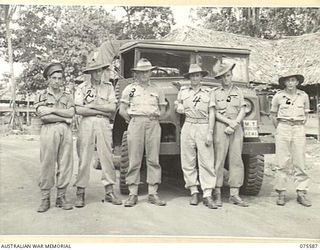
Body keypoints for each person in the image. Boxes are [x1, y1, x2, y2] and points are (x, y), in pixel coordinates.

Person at [74, 51, 122, 207]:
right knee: (84, 157)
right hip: (87, 123)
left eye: (100, 70)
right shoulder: (82, 88)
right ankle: (80, 192)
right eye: (94, 70)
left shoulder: (108, 87)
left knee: (106, 157)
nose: (97, 73)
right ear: (89, 73)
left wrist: (93, 106)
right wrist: (100, 109)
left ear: (103, 71)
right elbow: (79, 110)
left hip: (103, 123)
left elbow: (112, 107)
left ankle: (109, 191)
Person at [119, 58, 167, 207]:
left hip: (153, 123)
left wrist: (156, 117)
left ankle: (153, 193)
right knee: (134, 159)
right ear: (137, 74)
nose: (144, 74)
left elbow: (163, 109)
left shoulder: (157, 89)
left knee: (153, 159)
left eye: (147, 71)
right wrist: (133, 121)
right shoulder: (130, 89)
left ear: (150, 73)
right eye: (141, 72)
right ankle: (133, 193)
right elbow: (122, 110)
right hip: (135, 123)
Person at [175, 64, 217, 209]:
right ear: (189, 78)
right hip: (188, 125)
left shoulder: (209, 92)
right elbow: (178, 104)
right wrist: (178, 106)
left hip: (203, 126)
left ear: (201, 77)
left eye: (197, 75)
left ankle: (207, 193)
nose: (195, 78)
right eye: (192, 76)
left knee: (206, 160)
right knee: (188, 160)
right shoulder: (183, 91)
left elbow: (212, 112)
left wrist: (210, 132)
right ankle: (193, 190)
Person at [35, 62, 74, 213]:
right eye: (54, 78)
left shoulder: (67, 96)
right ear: (48, 79)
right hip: (49, 130)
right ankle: (45, 198)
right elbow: (43, 117)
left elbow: (71, 113)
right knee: (47, 164)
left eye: (60, 78)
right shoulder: (41, 95)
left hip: (65, 132)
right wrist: (62, 116)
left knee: (65, 164)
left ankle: (61, 197)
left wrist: (52, 111)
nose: (57, 81)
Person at [210, 63, 249, 207]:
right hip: (221, 126)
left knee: (236, 159)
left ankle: (234, 194)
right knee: (219, 160)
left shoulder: (238, 91)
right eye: (223, 77)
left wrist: (235, 124)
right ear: (219, 79)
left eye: (228, 75)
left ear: (232, 76)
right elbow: (214, 112)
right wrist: (228, 122)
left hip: (236, 127)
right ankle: (217, 192)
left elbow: (243, 110)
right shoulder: (215, 92)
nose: (226, 79)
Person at [270, 73, 311, 207]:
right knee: (282, 161)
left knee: (300, 161)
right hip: (283, 127)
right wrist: (280, 128)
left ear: (297, 82)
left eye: (293, 80)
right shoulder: (278, 96)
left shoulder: (303, 96)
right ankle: (281, 192)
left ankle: (301, 192)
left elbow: (306, 114)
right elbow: (273, 114)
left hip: (298, 128)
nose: (290, 83)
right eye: (288, 81)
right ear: (284, 83)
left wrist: (299, 127)